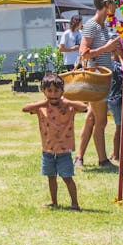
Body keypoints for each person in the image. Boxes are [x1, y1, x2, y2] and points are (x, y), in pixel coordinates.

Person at [22, 74, 87, 210]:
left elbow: (83, 106)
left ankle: (75, 203)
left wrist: (67, 101)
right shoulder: (42, 108)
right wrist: (43, 103)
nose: (53, 94)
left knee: (67, 177)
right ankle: (53, 201)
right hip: (48, 151)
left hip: (64, 151)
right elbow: (25, 108)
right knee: (51, 177)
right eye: (49, 91)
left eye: (56, 91)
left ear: (62, 91)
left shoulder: (69, 107)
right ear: (44, 91)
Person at [74, 0, 121, 169]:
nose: (115, 6)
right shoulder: (92, 25)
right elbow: (83, 54)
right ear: (105, 4)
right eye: (113, 2)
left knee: (92, 119)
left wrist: (113, 49)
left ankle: (79, 158)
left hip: (102, 79)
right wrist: (107, 48)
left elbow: (101, 52)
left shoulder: (103, 26)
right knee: (101, 121)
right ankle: (102, 160)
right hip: (96, 80)